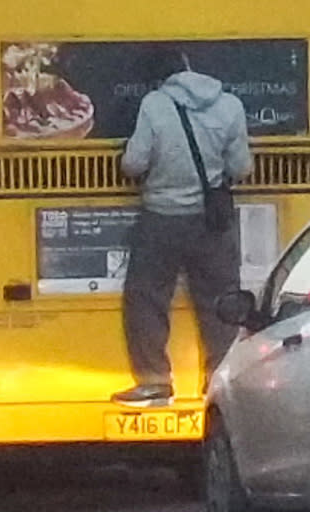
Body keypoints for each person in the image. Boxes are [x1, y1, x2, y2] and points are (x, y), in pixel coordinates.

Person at [111, 47, 254, 407]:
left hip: (161, 218)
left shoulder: (155, 104)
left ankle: (155, 382)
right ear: (189, 67)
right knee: (220, 301)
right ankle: (219, 383)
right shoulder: (229, 105)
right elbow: (241, 168)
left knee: (147, 298)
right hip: (212, 220)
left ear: (160, 78)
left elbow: (134, 163)